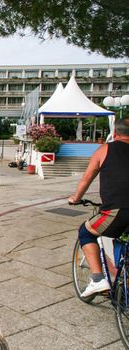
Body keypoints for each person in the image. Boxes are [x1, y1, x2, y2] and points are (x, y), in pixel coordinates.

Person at [69, 119, 129, 297]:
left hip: (117, 210)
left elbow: (87, 178)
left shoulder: (105, 149)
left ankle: (97, 279)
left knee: (86, 232)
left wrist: (75, 198)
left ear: (115, 133)